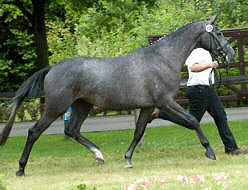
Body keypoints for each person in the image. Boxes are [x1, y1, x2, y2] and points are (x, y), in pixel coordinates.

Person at [149, 48, 247, 155]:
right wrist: (209, 65)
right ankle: (159, 113)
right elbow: (193, 67)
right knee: (190, 122)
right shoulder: (197, 51)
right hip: (199, 90)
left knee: (221, 117)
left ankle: (231, 148)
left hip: (208, 89)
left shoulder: (205, 51)